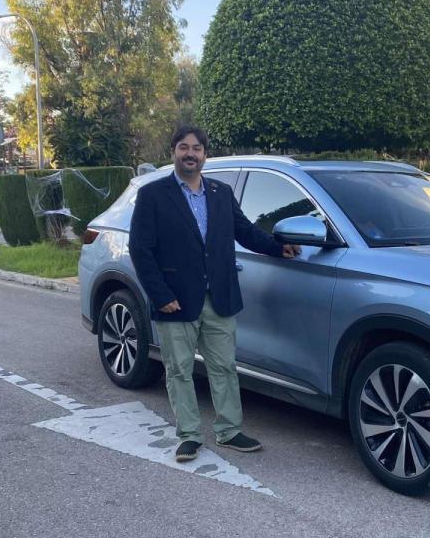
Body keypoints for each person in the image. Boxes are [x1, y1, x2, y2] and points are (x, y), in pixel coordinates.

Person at [128, 125, 301, 462]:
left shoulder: (221, 193)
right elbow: (141, 249)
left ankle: (229, 431)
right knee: (179, 370)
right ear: (174, 152)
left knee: (224, 367)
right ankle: (189, 435)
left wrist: (280, 248)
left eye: (197, 148)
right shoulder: (153, 195)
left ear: (205, 155)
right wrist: (161, 295)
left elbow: (246, 232)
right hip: (175, 299)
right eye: (183, 147)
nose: (190, 153)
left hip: (219, 297)